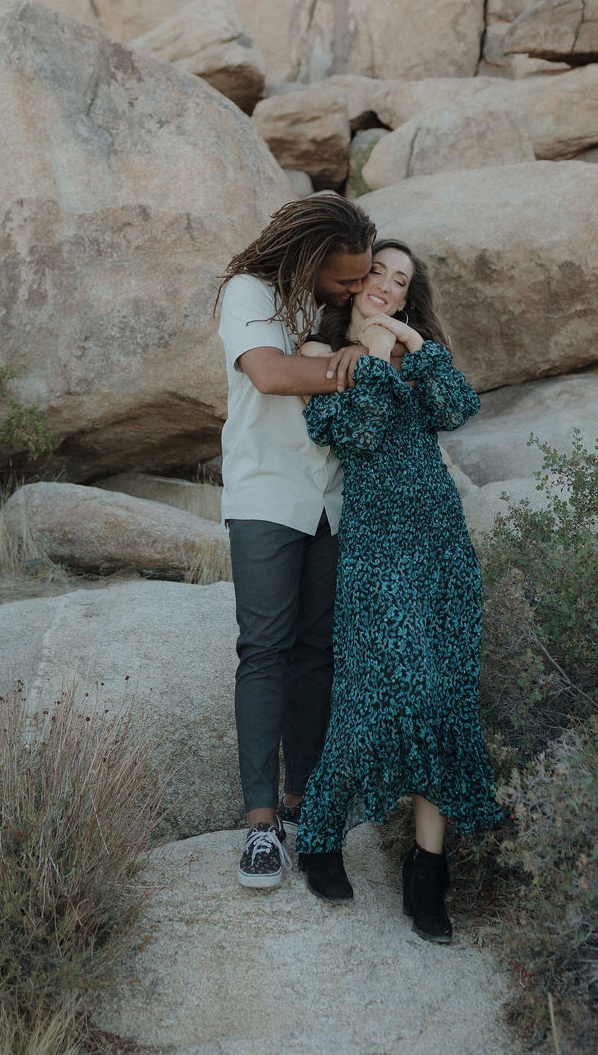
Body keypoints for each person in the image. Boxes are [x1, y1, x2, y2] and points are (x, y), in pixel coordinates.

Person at [294, 239, 502, 943]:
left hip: (441, 544)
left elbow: (457, 406)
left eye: (400, 280)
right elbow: (359, 433)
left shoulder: (416, 358)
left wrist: (414, 343)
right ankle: (319, 835)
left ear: (409, 297)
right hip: (377, 547)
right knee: (377, 695)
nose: (384, 284)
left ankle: (427, 875)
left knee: (443, 700)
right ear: (353, 285)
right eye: (376, 272)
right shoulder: (329, 362)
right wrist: (376, 358)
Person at [215, 192, 376, 889]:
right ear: (312, 262)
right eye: (346, 277)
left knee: (319, 651)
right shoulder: (249, 292)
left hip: (334, 501)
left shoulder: (345, 309)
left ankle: (301, 800)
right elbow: (271, 372)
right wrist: (366, 368)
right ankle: (259, 825)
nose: (358, 287)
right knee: (265, 648)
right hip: (266, 492)